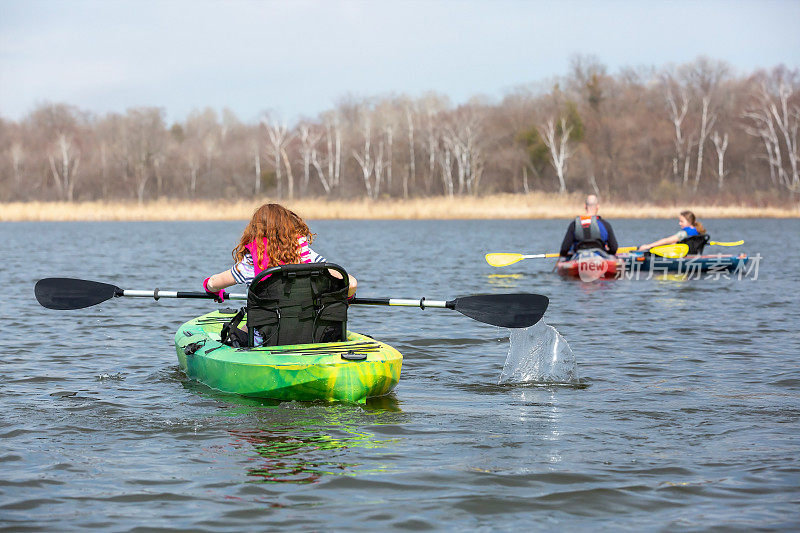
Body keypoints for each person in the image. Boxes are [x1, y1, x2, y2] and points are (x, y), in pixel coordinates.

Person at [203, 203, 357, 301]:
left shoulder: (252, 262)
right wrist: (347, 297)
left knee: (234, 331)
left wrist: (214, 290)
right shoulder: (306, 254)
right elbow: (351, 283)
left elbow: (212, 284)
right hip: (309, 334)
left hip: (267, 338)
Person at [638, 210, 707, 254]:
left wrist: (648, 246)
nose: (679, 223)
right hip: (692, 254)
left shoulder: (684, 233)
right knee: (673, 244)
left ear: (689, 222)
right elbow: (688, 243)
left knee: (651, 251)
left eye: (681, 221)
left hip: (683, 256)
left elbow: (666, 240)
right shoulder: (697, 231)